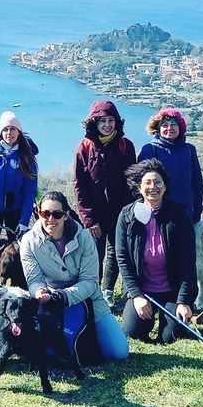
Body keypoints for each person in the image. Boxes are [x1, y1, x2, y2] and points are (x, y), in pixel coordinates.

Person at [19, 190, 129, 362]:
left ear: (66, 215)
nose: (50, 219)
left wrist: (64, 295)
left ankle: (98, 338)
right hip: (49, 303)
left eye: (57, 214)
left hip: (90, 300)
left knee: (118, 353)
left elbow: (91, 281)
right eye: (45, 213)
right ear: (38, 213)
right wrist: (39, 291)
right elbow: (34, 279)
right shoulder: (27, 241)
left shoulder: (85, 238)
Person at [115, 159, 197, 344]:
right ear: (139, 186)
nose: (153, 187)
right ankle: (147, 317)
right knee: (133, 333)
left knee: (171, 337)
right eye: (148, 182)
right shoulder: (126, 215)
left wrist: (183, 301)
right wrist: (136, 296)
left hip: (172, 290)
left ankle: (173, 320)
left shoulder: (179, 215)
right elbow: (122, 258)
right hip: (142, 290)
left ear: (165, 186)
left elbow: (188, 261)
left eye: (158, 182)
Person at [72, 100, 137, 310]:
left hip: (120, 212)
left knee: (116, 253)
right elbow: (79, 185)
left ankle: (108, 291)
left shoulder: (125, 146)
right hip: (95, 215)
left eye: (111, 120)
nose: (107, 125)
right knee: (94, 256)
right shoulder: (84, 148)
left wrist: (129, 213)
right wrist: (88, 219)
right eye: (102, 121)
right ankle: (93, 291)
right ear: (94, 123)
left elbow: (132, 181)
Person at [138, 107, 203, 224]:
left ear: (180, 128)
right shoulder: (150, 150)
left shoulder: (189, 150)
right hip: (159, 214)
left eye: (173, 124)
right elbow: (141, 185)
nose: (169, 128)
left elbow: (197, 184)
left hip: (186, 212)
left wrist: (197, 210)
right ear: (157, 129)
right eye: (164, 125)